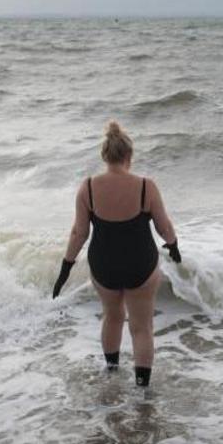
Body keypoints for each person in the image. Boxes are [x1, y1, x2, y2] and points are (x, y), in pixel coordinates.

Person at [53, 120, 180, 387]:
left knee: (112, 316)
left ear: (105, 156)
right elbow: (163, 226)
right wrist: (174, 246)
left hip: (104, 265)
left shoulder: (87, 188)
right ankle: (142, 388)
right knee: (141, 326)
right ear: (129, 156)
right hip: (141, 264)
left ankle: (111, 373)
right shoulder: (146, 186)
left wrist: (65, 267)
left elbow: (79, 233)